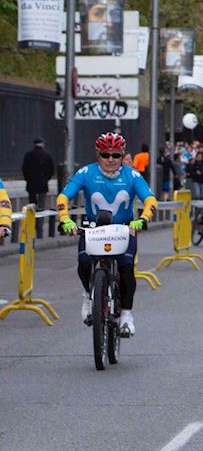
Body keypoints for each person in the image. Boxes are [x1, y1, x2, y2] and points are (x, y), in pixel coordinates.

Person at [57, 132, 157, 336]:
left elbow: (150, 200)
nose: (110, 159)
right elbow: (63, 197)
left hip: (124, 229)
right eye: (105, 155)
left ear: (122, 155)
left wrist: (143, 219)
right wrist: (65, 219)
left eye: (115, 154)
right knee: (84, 263)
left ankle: (127, 315)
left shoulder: (132, 175)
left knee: (127, 267)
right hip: (94, 228)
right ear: (98, 155)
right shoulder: (86, 173)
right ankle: (88, 295)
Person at [22, 138, 57, 239]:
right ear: (42, 144)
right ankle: (40, 231)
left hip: (31, 185)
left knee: (32, 207)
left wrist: (28, 179)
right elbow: (52, 170)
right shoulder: (47, 155)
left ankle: (32, 228)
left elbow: (24, 169)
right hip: (42, 184)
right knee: (41, 208)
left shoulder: (28, 155)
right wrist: (46, 179)